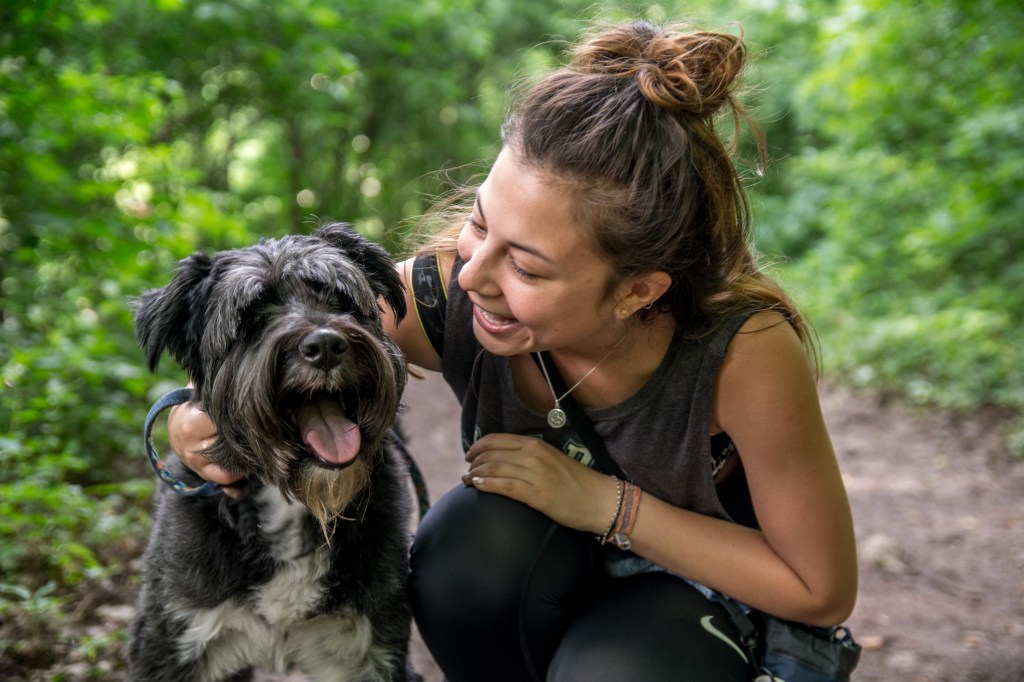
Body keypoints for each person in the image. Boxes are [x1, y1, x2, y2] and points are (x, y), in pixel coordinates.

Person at [168, 19, 857, 681]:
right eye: (478, 222)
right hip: (533, 577)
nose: (473, 276)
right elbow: (269, 350)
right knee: (460, 552)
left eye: (526, 268)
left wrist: (603, 504)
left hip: (699, 596)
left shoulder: (742, 351)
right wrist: (184, 419)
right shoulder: (442, 292)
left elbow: (819, 589)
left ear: (637, 291)